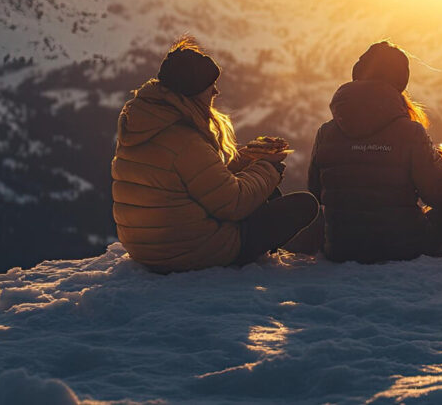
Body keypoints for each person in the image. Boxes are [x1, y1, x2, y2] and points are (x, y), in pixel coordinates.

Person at [112, 37, 319, 272]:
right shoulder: (186, 141)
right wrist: (267, 166)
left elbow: (200, 180)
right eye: (210, 86)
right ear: (193, 92)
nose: (216, 91)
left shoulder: (148, 125)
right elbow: (233, 203)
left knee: (262, 190)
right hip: (191, 251)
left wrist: (246, 159)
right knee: (303, 204)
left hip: (148, 247)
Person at [307, 41, 442, 263]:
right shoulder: (410, 132)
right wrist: (435, 164)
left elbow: (315, 193)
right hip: (402, 247)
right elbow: (439, 195)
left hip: (341, 248)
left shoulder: (326, 132)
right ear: (400, 83)